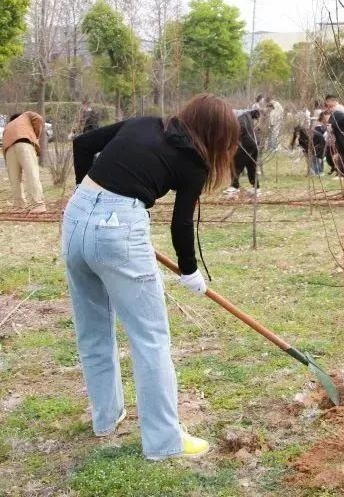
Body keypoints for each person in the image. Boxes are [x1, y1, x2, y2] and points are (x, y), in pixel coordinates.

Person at [62, 94, 239, 460]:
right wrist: (189, 272)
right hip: (119, 228)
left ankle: (105, 418)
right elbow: (181, 223)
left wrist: (86, 195)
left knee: (93, 329)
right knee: (150, 338)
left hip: (76, 216)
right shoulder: (194, 162)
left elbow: (82, 144)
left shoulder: (144, 122)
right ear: (217, 135)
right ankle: (165, 442)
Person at [2, 111, 46, 213]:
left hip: (9, 149)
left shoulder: (8, 126)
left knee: (14, 179)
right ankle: (37, 204)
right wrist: (35, 135)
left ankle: (19, 205)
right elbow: (38, 118)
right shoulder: (26, 115)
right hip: (23, 144)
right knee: (31, 174)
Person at [224, 109, 260, 197]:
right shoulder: (247, 116)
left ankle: (234, 187)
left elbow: (240, 130)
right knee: (251, 165)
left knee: (235, 163)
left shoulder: (239, 118)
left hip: (247, 144)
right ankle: (256, 188)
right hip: (255, 143)